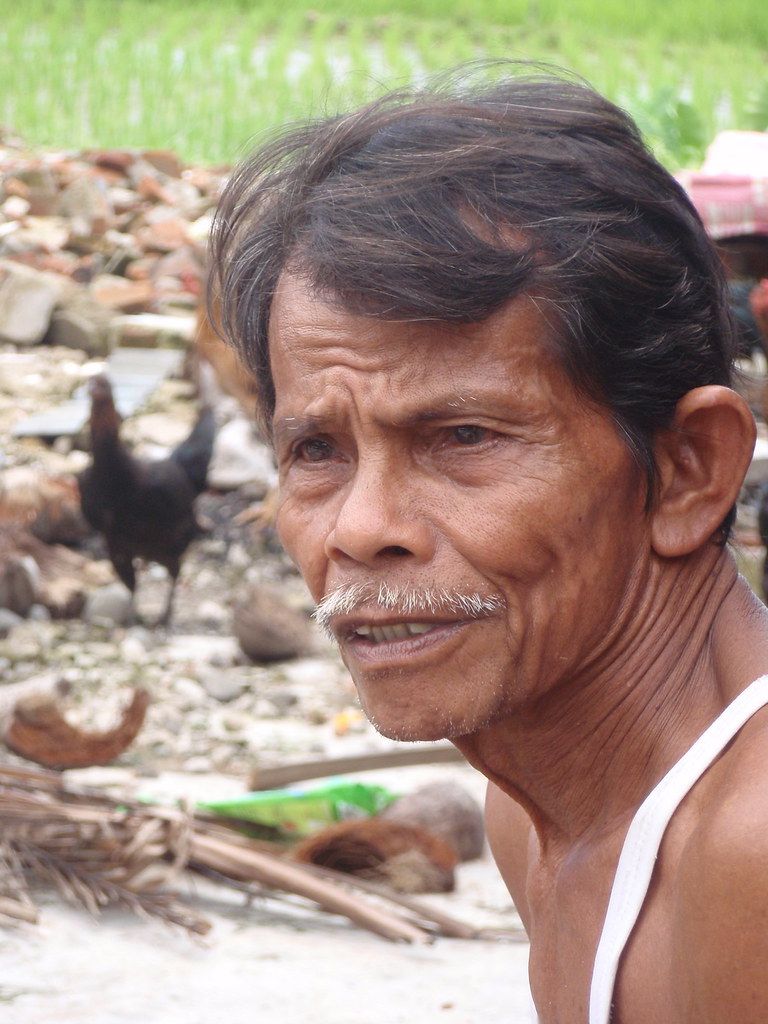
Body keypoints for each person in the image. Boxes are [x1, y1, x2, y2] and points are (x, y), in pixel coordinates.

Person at [208, 63, 768, 1024]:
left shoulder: (750, 855)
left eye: (463, 437)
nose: (360, 529)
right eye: (316, 449)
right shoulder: (535, 810)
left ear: (687, 471)